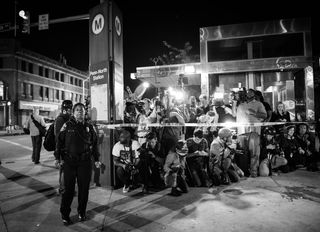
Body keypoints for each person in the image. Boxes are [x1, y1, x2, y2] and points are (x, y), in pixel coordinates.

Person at [55, 103, 101, 225]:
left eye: (82, 110)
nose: (80, 112)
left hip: (85, 162)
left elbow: (95, 144)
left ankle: (82, 212)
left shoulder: (89, 127)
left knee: (84, 190)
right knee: (68, 190)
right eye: (77, 110)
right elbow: (59, 142)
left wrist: (96, 159)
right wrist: (57, 157)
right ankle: (65, 214)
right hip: (69, 162)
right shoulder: (67, 125)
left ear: (85, 113)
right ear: (73, 112)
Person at [54, 100, 73, 195]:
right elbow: (58, 136)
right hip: (62, 149)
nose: (71, 111)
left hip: (68, 149)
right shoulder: (61, 119)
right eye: (70, 109)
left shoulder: (67, 118)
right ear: (65, 110)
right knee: (64, 170)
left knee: (67, 170)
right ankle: (63, 189)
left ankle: (66, 189)